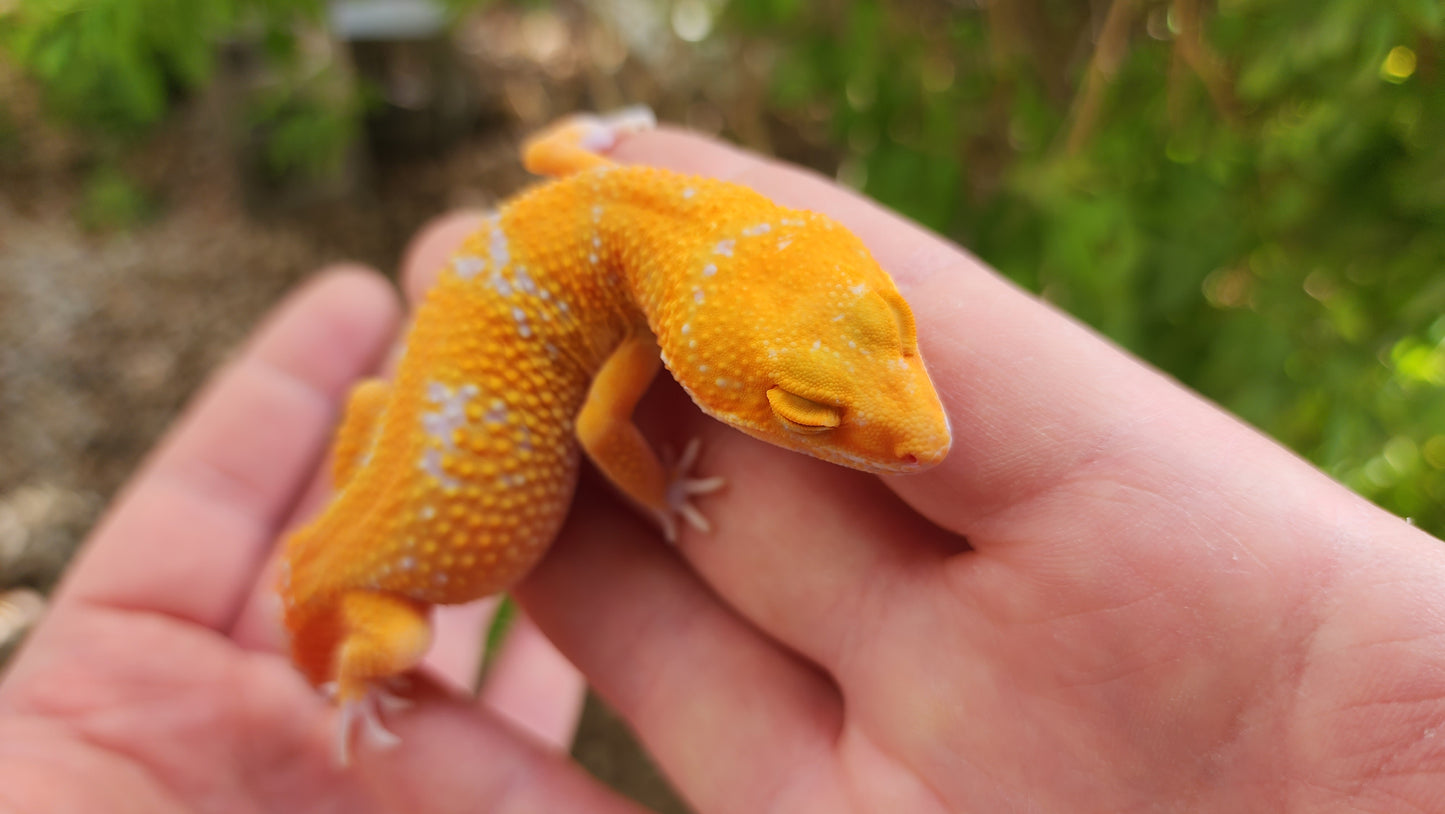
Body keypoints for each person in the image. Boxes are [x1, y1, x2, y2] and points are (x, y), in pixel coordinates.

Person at [2, 126, 1442, 813]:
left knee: (381, 398)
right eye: (817, 412)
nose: (914, 428)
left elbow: (562, 152)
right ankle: (350, 652)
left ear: (847, 272)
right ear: (699, 353)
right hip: (389, 531)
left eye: (878, 351)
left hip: (414, 419)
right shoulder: (649, 253)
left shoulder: (626, 203)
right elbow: (593, 430)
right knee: (373, 580)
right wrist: (659, 491)